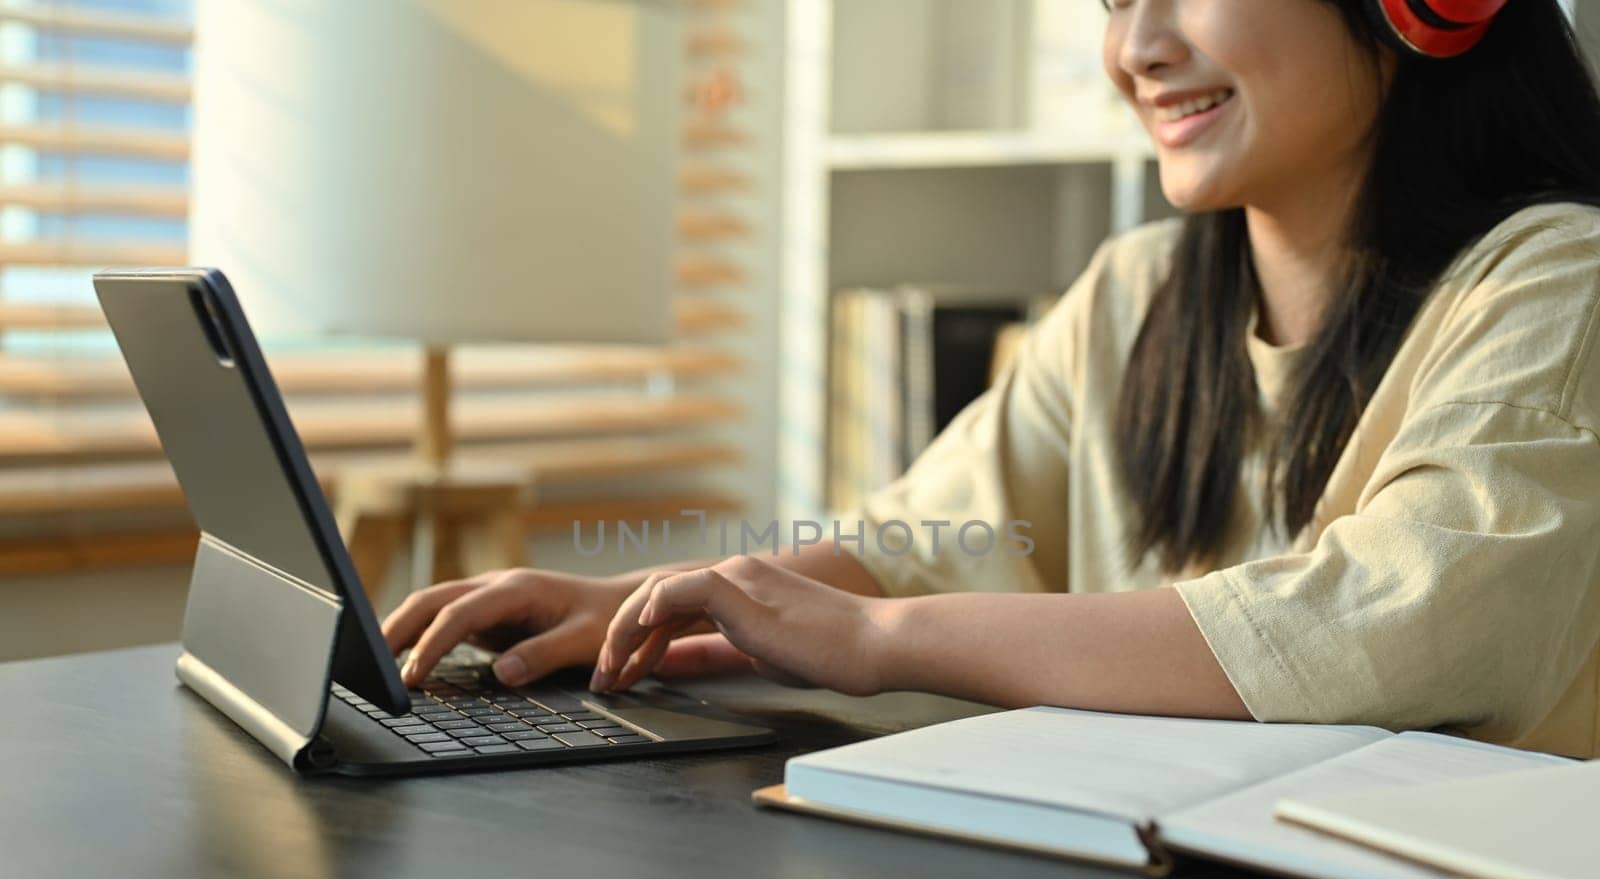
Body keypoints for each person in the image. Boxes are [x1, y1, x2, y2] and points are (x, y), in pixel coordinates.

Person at [383, 0, 1600, 759]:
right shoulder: (1137, 294)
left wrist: (881, 638)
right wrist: (639, 602)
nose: (1136, 47)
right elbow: (923, 539)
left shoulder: (1561, 281)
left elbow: (1388, 627)